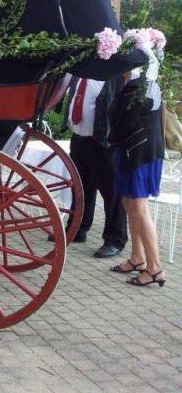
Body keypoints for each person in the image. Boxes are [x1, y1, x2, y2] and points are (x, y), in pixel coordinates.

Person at [108, 68, 166, 287]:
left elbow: (127, 122)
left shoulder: (139, 85)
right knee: (129, 202)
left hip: (140, 154)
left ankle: (155, 268)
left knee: (140, 207)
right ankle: (137, 257)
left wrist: (110, 136)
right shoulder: (140, 84)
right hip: (136, 152)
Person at [61, 75, 128, 257]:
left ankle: (115, 240)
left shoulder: (114, 76)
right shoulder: (80, 73)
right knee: (80, 188)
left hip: (102, 144)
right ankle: (78, 228)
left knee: (111, 193)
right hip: (79, 139)